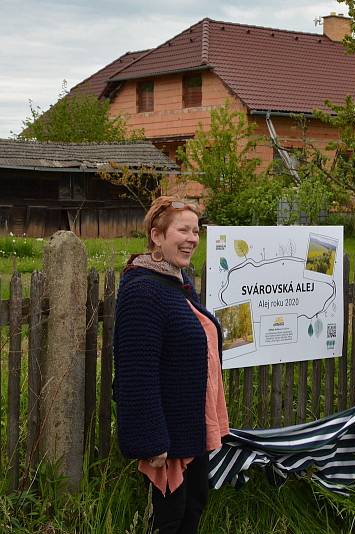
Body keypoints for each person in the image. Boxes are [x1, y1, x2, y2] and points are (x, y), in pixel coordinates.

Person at [113, 196, 229, 533]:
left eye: (196, 230)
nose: (193, 238)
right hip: (166, 438)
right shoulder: (144, 290)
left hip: (189, 428)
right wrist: (151, 440)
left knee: (193, 508)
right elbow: (137, 372)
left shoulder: (175, 284)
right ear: (156, 235)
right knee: (169, 520)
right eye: (183, 229)